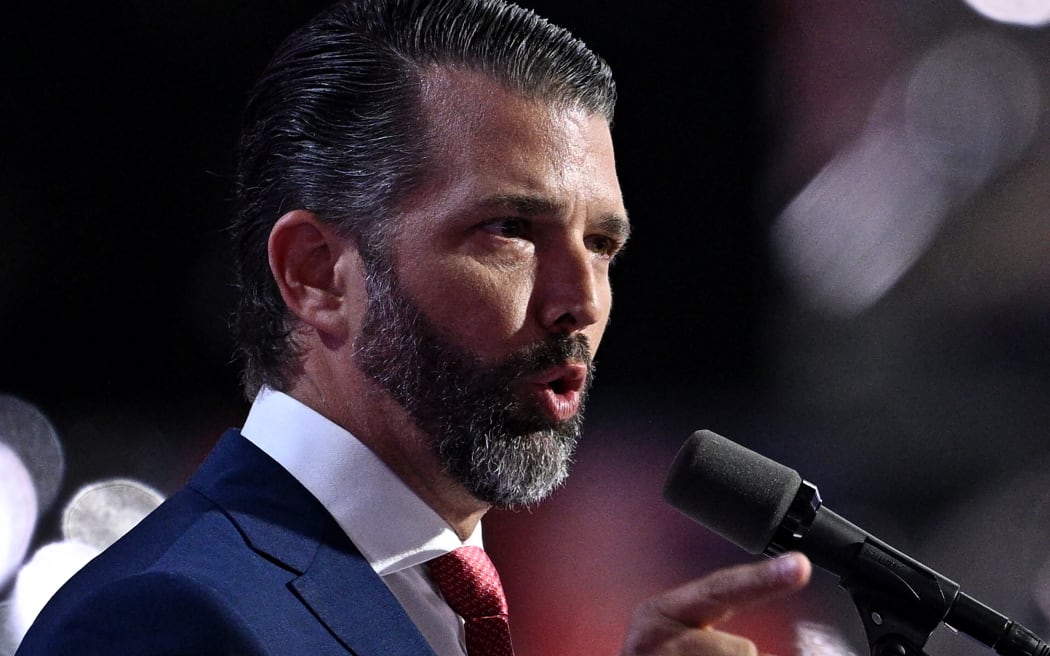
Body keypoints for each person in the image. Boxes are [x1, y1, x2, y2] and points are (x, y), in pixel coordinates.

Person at [15, 0, 810, 654]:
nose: (583, 300)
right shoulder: (169, 622)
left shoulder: (431, 595)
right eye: (509, 231)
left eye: (602, 244)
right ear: (318, 274)